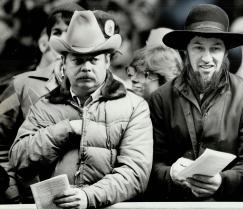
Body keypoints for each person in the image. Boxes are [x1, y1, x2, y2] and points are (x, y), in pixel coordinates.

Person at [9, 10, 153, 209]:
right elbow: (19, 159)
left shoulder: (134, 106)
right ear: (64, 63)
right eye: (77, 60)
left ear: (107, 62)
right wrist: (66, 129)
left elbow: (135, 173)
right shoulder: (45, 105)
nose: (86, 67)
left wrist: (88, 197)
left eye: (94, 59)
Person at [148, 4, 243, 201]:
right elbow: (150, 162)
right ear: (186, 51)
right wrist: (170, 173)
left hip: (230, 205)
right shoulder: (160, 99)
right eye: (198, 47)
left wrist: (222, 181)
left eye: (215, 48)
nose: (207, 58)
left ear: (225, 53)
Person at [0, 2, 84, 203]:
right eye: (57, 32)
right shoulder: (22, 84)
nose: (63, 39)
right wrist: (14, 195)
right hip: (31, 201)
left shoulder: (106, 87)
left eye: (71, 31)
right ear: (46, 40)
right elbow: (1, 145)